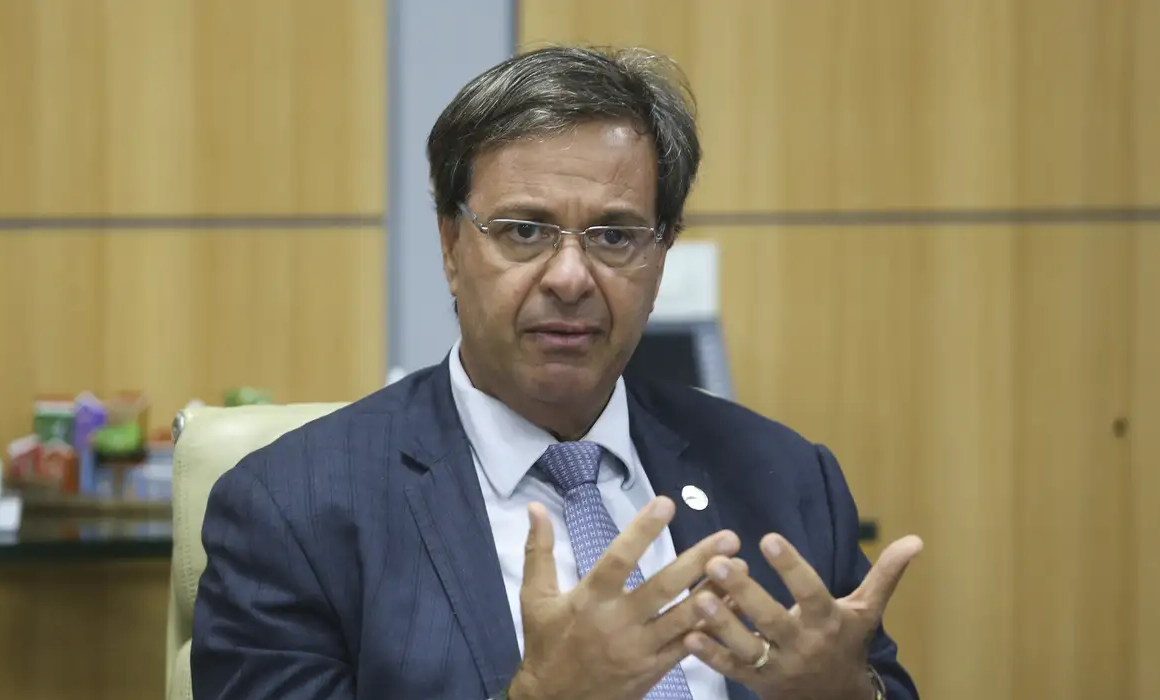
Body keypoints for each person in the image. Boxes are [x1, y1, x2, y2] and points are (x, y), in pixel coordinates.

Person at [191, 45, 923, 700]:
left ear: (661, 254)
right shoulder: (293, 510)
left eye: (615, 235)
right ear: (450, 246)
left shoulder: (785, 476)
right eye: (524, 230)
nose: (570, 277)